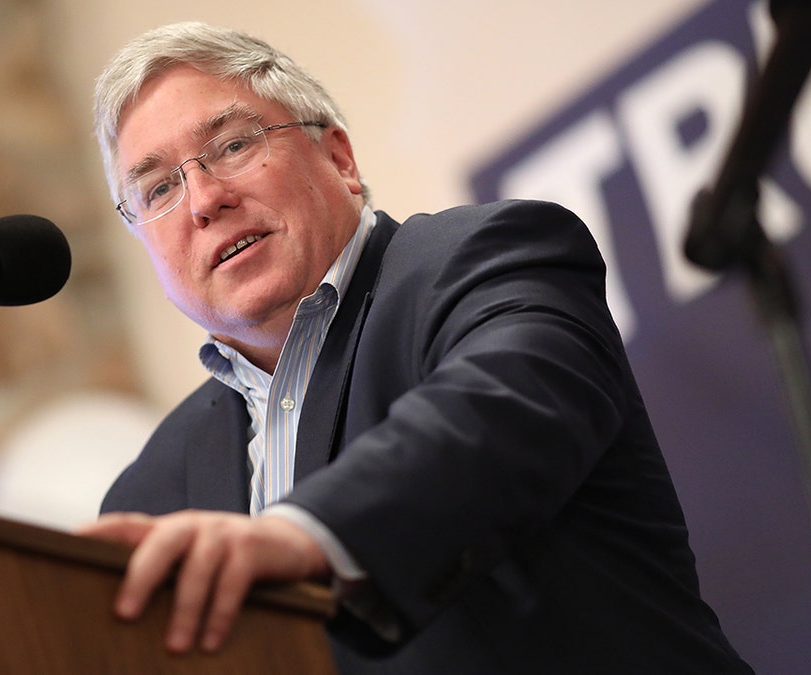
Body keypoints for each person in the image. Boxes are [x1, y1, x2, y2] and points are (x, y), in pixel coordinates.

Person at [77, 21, 752, 673]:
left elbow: (498, 414)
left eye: (231, 146)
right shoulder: (151, 490)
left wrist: (300, 536)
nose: (203, 200)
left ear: (338, 157)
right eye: (158, 187)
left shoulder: (489, 258)